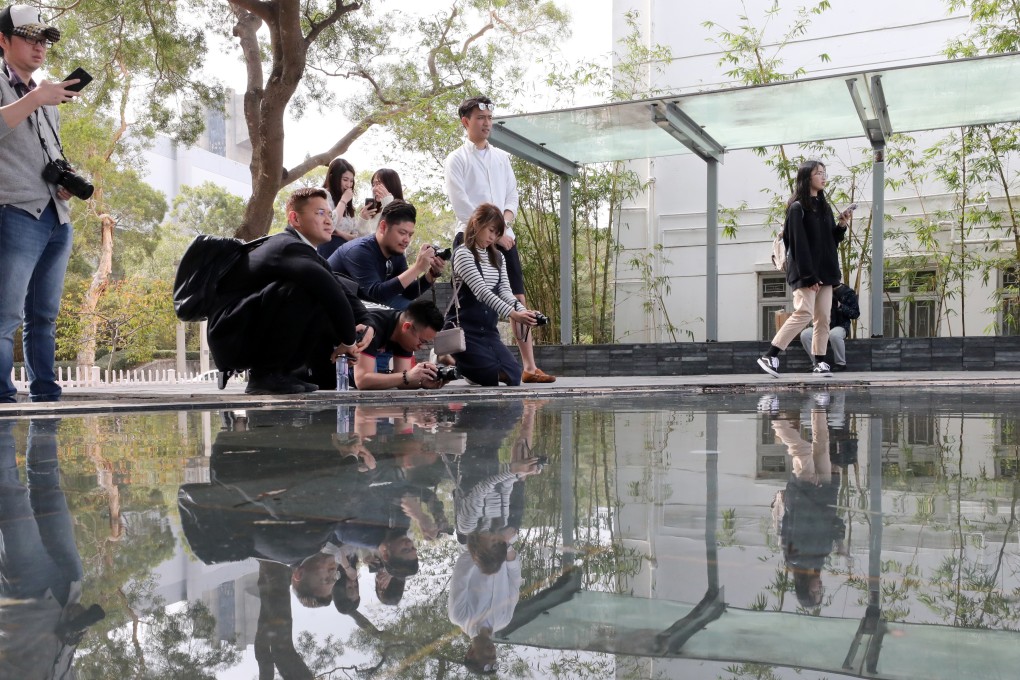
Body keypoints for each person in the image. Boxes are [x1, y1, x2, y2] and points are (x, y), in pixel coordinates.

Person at [207, 187, 368, 395]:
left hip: (244, 330)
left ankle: (285, 374)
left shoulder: (308, 253)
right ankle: (265, 376)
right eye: (320, 213)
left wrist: (367, 322)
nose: (329, 221)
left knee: (318, 291)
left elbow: (342, 291)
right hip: (231, 335)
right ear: (295, 218)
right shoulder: (286, 246)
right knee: (307, 289)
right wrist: (348, 341)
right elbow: (330, 292)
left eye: (330, 214)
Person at [0, 6, 84, 402]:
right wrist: (36, 97)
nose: (39, 47)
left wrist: (65, 180)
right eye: (29, 38)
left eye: (44, 40)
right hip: (14, 212)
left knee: (44, 317)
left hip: (56, 216)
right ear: (3, 40)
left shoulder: (46, 96)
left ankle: (46, 395)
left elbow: (49, 153)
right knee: (5, 316)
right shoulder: (35, 93)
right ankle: (2, 398)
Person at [445, 95, 555, 384]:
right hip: (468, 239)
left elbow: (512, 197)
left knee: (518, 298)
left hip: (504, 237)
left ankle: (529, 366)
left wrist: (501, 230)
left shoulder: (502, 157)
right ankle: (459, 355)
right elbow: (461, 205)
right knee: (471, 301)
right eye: (480, 118)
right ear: (465, 121)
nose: (487, 123)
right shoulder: (456, 159)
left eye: (490, 118)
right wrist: (490, 235)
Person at [0, 419, 104, 677]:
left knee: (9, 497)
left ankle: (2, 409)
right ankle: (45, 407)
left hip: (27, 593)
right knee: (49, 489)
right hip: (69, 589)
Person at [758, 160, 851, 378]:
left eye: (824, 173)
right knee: (804, 313)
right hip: (805, 272)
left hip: (826, 272)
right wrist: (809, 276)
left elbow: (831, 240)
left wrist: (842, 225)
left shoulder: (824, 207)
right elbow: (798, 245)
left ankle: (819, 361)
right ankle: (770, 355)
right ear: (807, 177)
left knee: (823, 318)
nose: (824, 176)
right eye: (819, 173)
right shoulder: (797, 208)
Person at [448, 204, 548, 386]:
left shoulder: (498, 257)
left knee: (514, 375)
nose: (493, 237)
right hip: (464, 330)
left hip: (488, 331)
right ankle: (453, 359)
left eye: (497, 233)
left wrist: (524, 311)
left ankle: (467, 366)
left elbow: (505, 292)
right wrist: (513, 314)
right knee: (489, 375)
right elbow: (482, 292)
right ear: (477, 223)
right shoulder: (463, 254)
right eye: (491, 231)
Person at [328, 199, 446, 310]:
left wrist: (431, 274)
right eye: (402, 232)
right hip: (333, 310)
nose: (407, 240)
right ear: (383, 227)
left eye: (410, 235)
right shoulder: (359, 251)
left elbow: (408, 292)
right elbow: (376, 294)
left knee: (420, 314)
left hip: (362, 307)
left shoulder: (396, 253)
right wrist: (417, 268)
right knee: (413, 315)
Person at [352, 298, 449, 390]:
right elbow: (362, 380)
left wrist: (422, 381)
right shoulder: (373, 326)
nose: (422, 347)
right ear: (406, 327)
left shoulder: (403, 333)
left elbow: (401, 379)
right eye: (422, 341)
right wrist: (408, 375)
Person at [799, 281, 860, 372]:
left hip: (840, 325)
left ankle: (841, 363)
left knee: (834, 334)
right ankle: (817, 363)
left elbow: (855, 314)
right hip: (820, 325)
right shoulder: (818, 289)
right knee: (805, 335)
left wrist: (840, 306)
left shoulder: (847, 292)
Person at [317, 156, 359, 260]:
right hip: (328, 249)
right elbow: (330, 223)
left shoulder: (349, 205)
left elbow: (356, 236)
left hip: (347, 251)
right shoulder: (323, 195)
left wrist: (340, 234)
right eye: (345, 180)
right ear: (334, 177)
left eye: (351, 181)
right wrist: (343, 201)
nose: (348, 185)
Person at [356, 167, 403, 235]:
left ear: (390, 185)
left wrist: (388, 204)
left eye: (378, 184)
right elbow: (364, 240)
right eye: (373, 185)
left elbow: (393, 235)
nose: (374, 189)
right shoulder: (374, 211)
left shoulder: (403, 210)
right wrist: (363, 220)